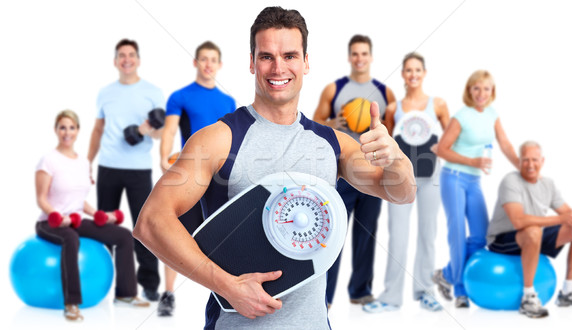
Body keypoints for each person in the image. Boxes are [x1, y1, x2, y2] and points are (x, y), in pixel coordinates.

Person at [133, 6, 415, 329]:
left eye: (290, 56)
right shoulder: (219, 140)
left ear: (306, 62)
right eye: (266, 56)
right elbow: (151, 221)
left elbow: (401, 192)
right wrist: (227, 287)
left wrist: (398, 159)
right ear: (252, 62)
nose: (278, 67)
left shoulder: (332, 145)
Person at [36, 110, 149, 322]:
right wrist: (57, 215)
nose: (67, 132)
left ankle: (125, 294)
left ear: (78, 131)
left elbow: (78, 200)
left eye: (71, 127)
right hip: (49, 223)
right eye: (62, 127)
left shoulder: (83, 163)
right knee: (70, 238)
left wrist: (100, 215)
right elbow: (42, 199)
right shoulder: (48, 161)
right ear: (56, 130)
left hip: (76, 220)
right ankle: (71, 303)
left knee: (124, 236)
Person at [312, 34, 397, 307]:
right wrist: (331, 121)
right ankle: (324, 296)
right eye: (355, 54)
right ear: (350, 57)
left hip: (373, 170)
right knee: (333, 232)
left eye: (364, 54)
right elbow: (314, 123)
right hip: (342, 170)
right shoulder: (333, 90)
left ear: (370, 57)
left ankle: (360, 290)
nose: (359, 58)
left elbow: (393, 133)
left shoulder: (385, 93)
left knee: (368, 230)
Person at [363, 52, 449, 313]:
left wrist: (440, 148)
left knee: (428, 234)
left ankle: (426, 292)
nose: (413, 75)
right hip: (401, 178)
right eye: (408, 70)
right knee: (398, 236)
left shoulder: (438, 105)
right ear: (403, 74)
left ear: (424, 73)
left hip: (432, 175)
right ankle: (391, 297)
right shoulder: (393, 109)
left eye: (417, 70)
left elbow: (451, 137)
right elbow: (386, 139)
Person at [157, 40, 236, 317]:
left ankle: (228, 294)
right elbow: (168, 131)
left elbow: (231, 139)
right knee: (173, 233)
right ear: (196, 62)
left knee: (226, 237)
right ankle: (167, 294)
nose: (208, 64)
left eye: (213, 59)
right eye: (203, 59)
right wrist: (165, 157)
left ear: (219, 64)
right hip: (190, 175)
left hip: (220, 179)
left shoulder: (228, 102)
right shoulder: (180, 97)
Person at [432, 70, 519, 308]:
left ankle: (447, 274)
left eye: (486, 89)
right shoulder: (462, 116)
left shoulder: (492, 115)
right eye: (476, 88)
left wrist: (523, 166)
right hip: (454, 178)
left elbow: (506, 144)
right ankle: (460, 290)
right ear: (469, 90)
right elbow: (441, 149)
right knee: (457, 233)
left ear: (492, 92)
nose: (481, 93)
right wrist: (472, 162)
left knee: (482, 236)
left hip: (474, 182)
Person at [88, 39, 166, 301]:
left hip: (138, 169)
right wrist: (87, 161)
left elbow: (159, 133)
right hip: (108, 166)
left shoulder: (153, 92)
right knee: (104, 227)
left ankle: (150, 284)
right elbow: (98, 129)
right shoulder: (105, 93)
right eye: (122, 55)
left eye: (131, 54)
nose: (126, 59)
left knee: (143, 227)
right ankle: (102, 281)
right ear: (115, 61)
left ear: (138, 60)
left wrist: (144, 130)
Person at [487, 141, 572, 318]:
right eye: (526, 160)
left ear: (542, 161)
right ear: (519, 161)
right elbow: (518, 221)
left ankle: (568, 291)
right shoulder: (510, 181)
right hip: (503, 239)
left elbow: (567, 213)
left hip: (533, 234)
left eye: (535, 160)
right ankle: (528, 297)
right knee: (533, 231)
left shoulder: (548, 185)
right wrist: (560, 219)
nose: (530, 165)